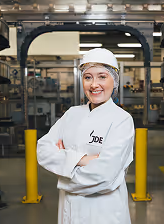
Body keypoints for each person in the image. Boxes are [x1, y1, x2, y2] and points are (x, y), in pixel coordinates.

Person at [37, 48, 134, 224]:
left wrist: (63, 170)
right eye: (88, 77)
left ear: (115, 80)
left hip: (104, 213)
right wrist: (82, 159)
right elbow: (43, 150)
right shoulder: (72, 114)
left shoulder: (122, 120)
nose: (94, 84)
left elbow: (103, 176)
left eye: (102, 77)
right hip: (69, 211)